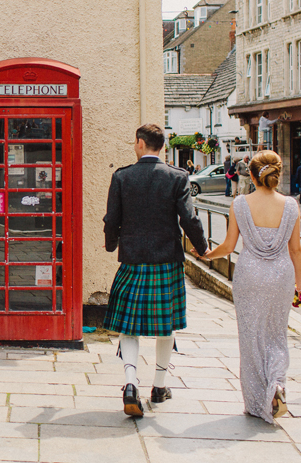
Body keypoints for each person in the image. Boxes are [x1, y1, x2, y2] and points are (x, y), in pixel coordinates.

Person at [103, 124, 208, 418]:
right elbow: (190, 219)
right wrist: (202, 248)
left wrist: (111, 245)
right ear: (161, 147)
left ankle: (129, 384)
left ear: (140, 143)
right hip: (166, 260)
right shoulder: (177, 177)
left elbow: (112, 219)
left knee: (129, 327)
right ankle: (159, 387)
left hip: (134, 260)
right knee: (167, 326)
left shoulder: (122, 176)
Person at [197, 150, 301, 423]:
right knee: (276, 334)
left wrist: (207, 254)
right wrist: (299, 285)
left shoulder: (240, 204)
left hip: (250, 275)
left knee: (251, 337)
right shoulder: (291, 206)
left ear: (252, 175)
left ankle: (258, 402)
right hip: (281, 275)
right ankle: (278, 383)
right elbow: (296, 251)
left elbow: (229, 246)